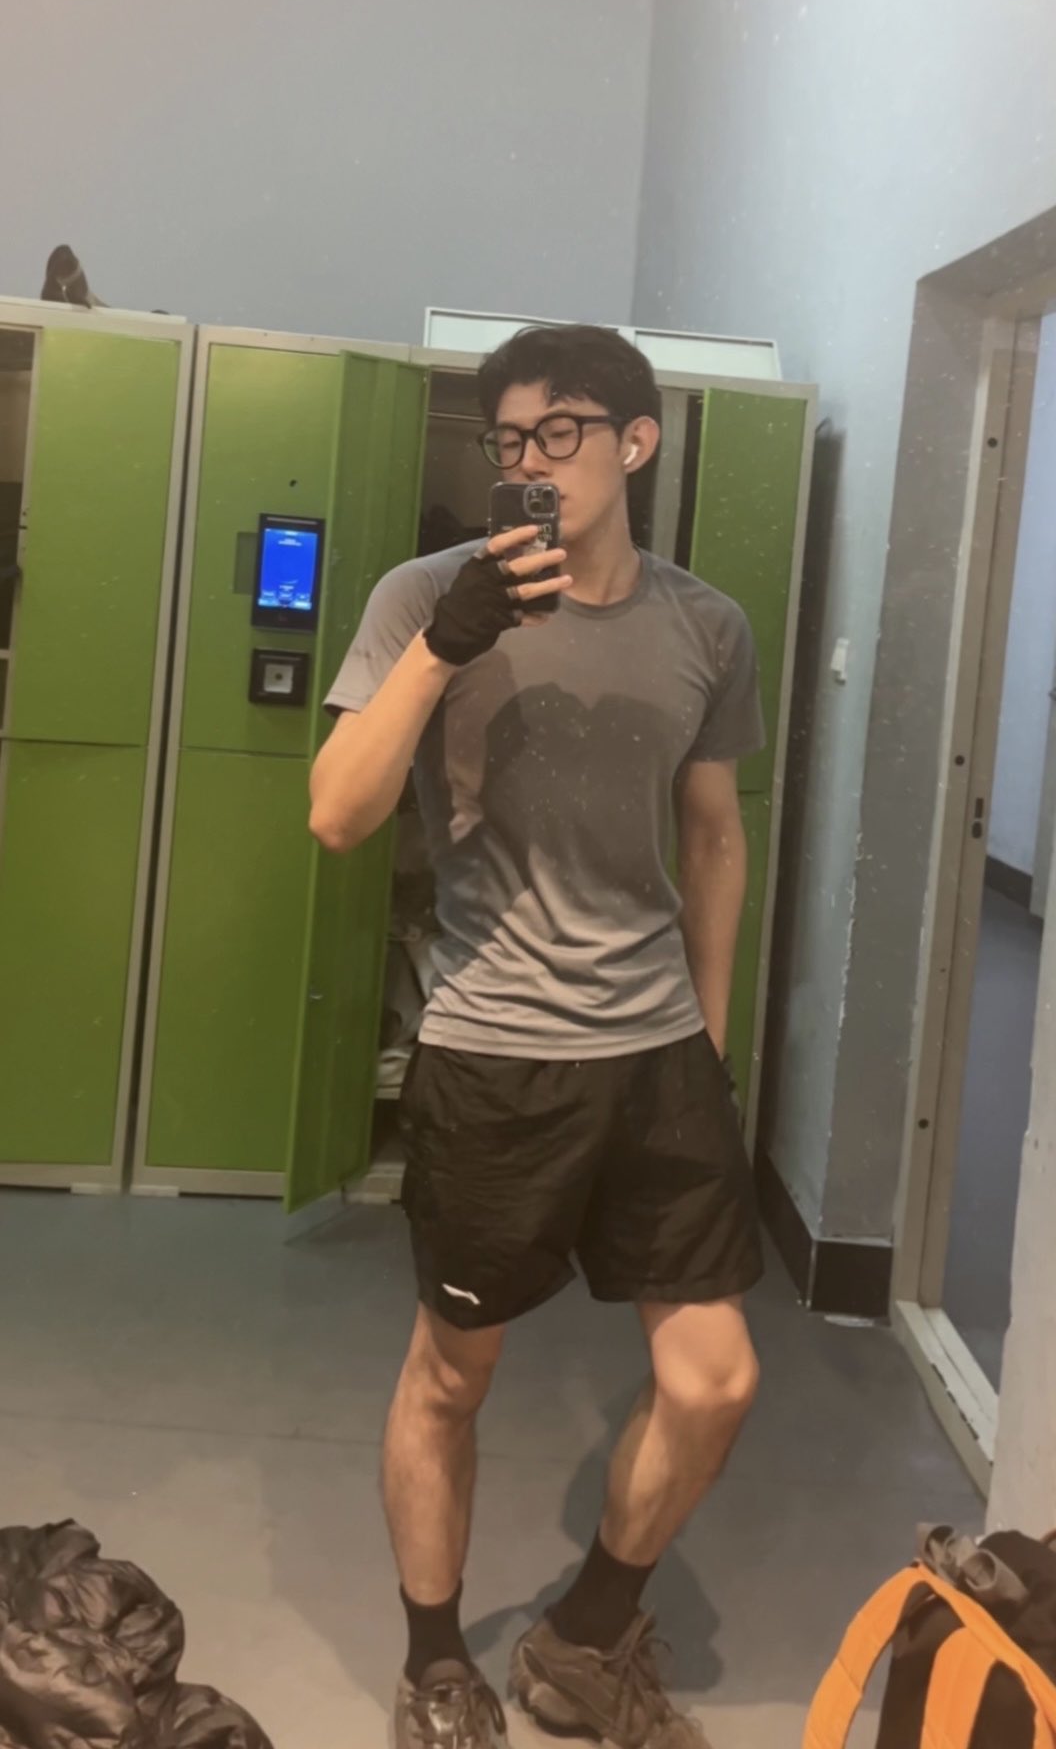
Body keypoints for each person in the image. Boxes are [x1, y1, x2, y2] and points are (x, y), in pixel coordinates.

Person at [310, 326, 765, 1749]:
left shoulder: (706, 628)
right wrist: (449, 644)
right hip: (495, 1046)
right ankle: (436, 1660)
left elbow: (713, 835)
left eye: (558, 432)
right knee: (454, 1374)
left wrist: (709, 1033)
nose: (529, 461)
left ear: (635, 441)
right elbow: (338, 813)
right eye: (508, 440)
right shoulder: (423, 598)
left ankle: (580, 1642)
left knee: (715, 1379)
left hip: (656, 1054)